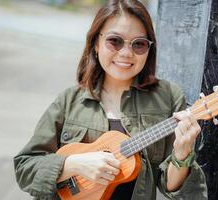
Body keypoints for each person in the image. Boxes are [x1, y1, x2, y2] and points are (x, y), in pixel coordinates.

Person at [14, 0, 208, 199]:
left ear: (149, 50)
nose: (126, 53)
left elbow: (170, 186)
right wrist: (74, 164)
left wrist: (182, 154)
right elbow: (25, 167)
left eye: (139, 44)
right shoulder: (69, 100)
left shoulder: (168, 97)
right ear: (96, 44)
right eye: (115, 41)